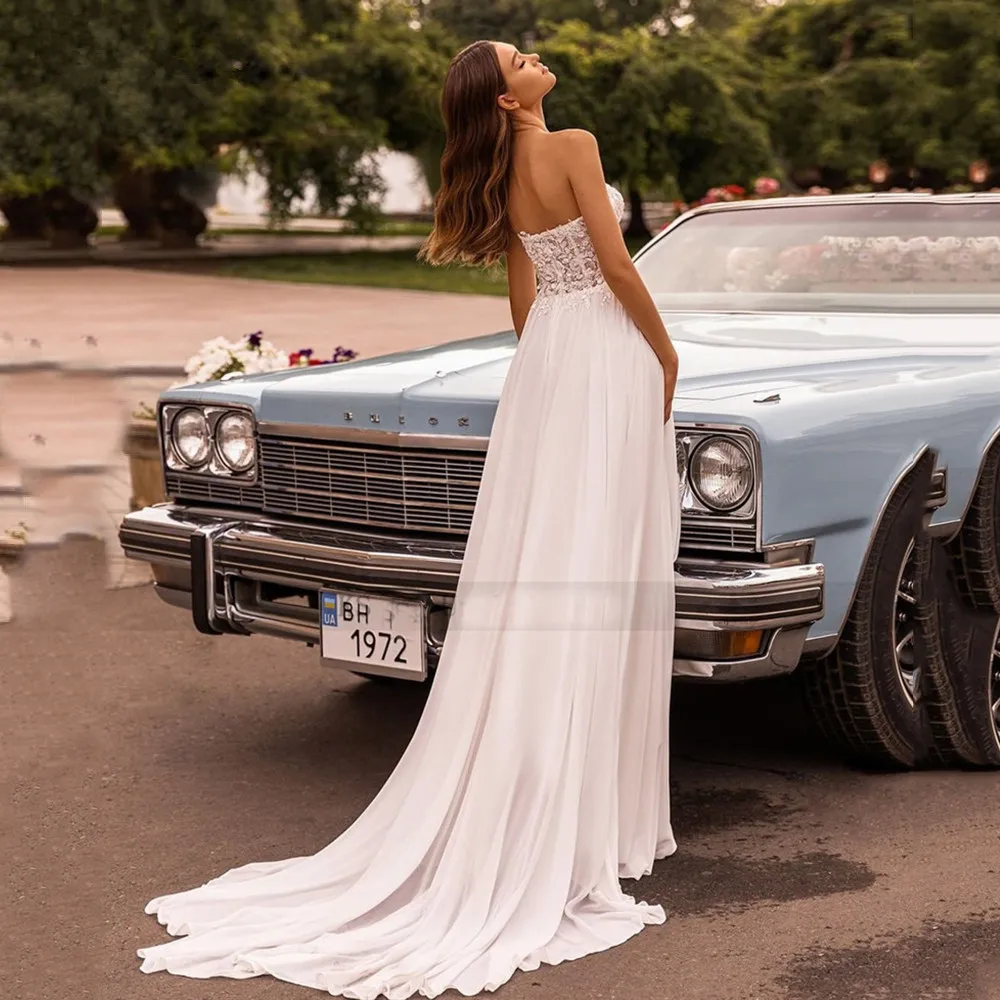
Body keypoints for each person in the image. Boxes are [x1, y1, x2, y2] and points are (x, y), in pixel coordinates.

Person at [136, 38, 681, 1000]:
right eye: (521, 56)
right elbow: (619, 266)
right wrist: (664, 357)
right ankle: (592, 820)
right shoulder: (575, 145)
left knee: (546, 559)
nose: (536, 54)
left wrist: (550, 366)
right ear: (508, 95)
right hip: (601, 351)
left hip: (550, 362)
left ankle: (560, 806)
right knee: (600, 561)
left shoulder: (502, 175)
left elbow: (527, 297)